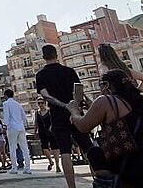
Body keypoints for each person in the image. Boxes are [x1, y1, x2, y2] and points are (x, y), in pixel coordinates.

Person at [68, 70, 143, 188]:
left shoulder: (105, 100)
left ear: (106, 85)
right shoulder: (137, 101)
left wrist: (73, 110)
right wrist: (92, 107)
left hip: (142, 176)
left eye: (100, 85)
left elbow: (83, 126)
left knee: (95, 154)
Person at [35, 43, 94, 188]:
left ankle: (71, 186)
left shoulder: (41, 75)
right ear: (57, 55)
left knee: (65, 152)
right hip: (76, 114)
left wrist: (63, 105)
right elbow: (79, 91)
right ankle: (98, 181)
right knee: (88, 149)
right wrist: (76, 107)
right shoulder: (69, 71)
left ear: (44, 57)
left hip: (57, 116)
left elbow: (46, 96)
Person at [0, 89, 30, 175]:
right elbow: (24, 117)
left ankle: (14, 168)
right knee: (25, 148)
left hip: (12, 127)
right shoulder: (18, 104)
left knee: (12, 148)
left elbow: (6, 116)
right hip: (21, 127)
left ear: (6, 95)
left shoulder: (6, 104)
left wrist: (5, 126)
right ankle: (27, 168)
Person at [34, 99, 60, 173]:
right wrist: (35, 131)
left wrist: (52, 127)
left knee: (55, 148)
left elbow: (54, 120)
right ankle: (50, 161)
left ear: (45, 103)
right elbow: (36, 123)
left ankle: (57, 165)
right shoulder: (37, 113)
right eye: (39, 103)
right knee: (44, 148)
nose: (40, 104)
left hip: (51, 131)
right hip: (42, 132)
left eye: (42, 103)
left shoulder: (49, 111)